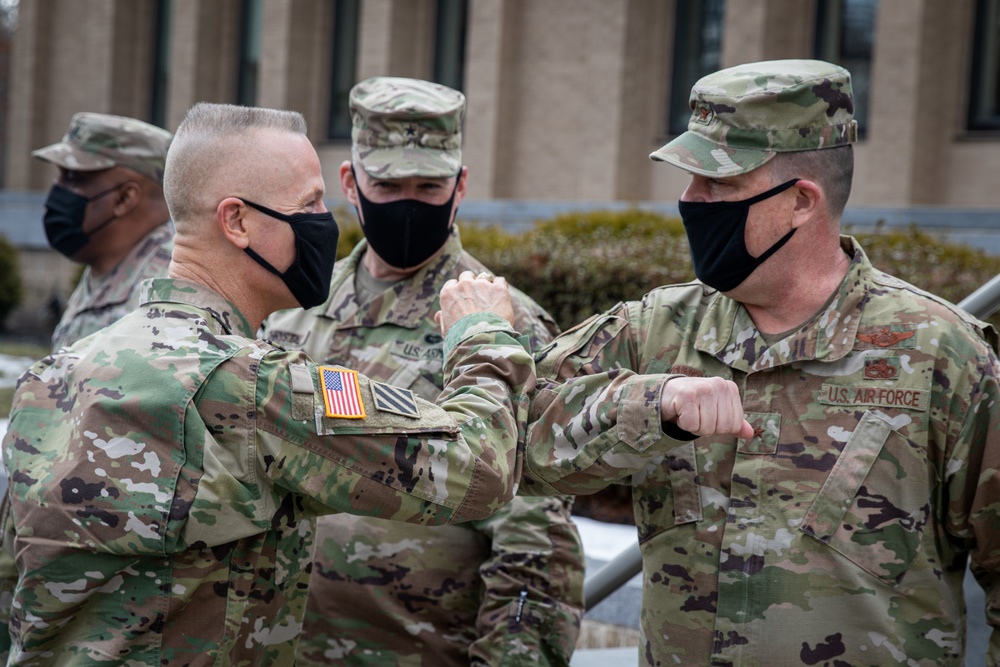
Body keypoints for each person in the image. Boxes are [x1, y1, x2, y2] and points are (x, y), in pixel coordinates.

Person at [0, 102, 535, 666]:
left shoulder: (56, 373)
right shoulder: (253, 388)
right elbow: (479, 469)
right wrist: (483, 332)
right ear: (237, 222)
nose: (326, 222)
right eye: (308, 204)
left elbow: (14, 577)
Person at [523, 59, 1000, 665]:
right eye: (691, 180)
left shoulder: (943, 356)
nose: (690, 201)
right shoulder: (652, 331)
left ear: (801, 202)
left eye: (717, 185)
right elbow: (508, 444)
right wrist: (645, 407)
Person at [265, 77, 585, 666]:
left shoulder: (501, 325)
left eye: (428, 186)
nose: (407, 204)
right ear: (350, 184)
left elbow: (535, 543)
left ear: (459, 187)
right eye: (387, 185)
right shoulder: (292, 308)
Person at [32, 112, 174, 351]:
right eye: (60, 175)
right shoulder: (108, 267)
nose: (57, 189)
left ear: (125, 198)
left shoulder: (165, 296)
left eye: (74, 178)